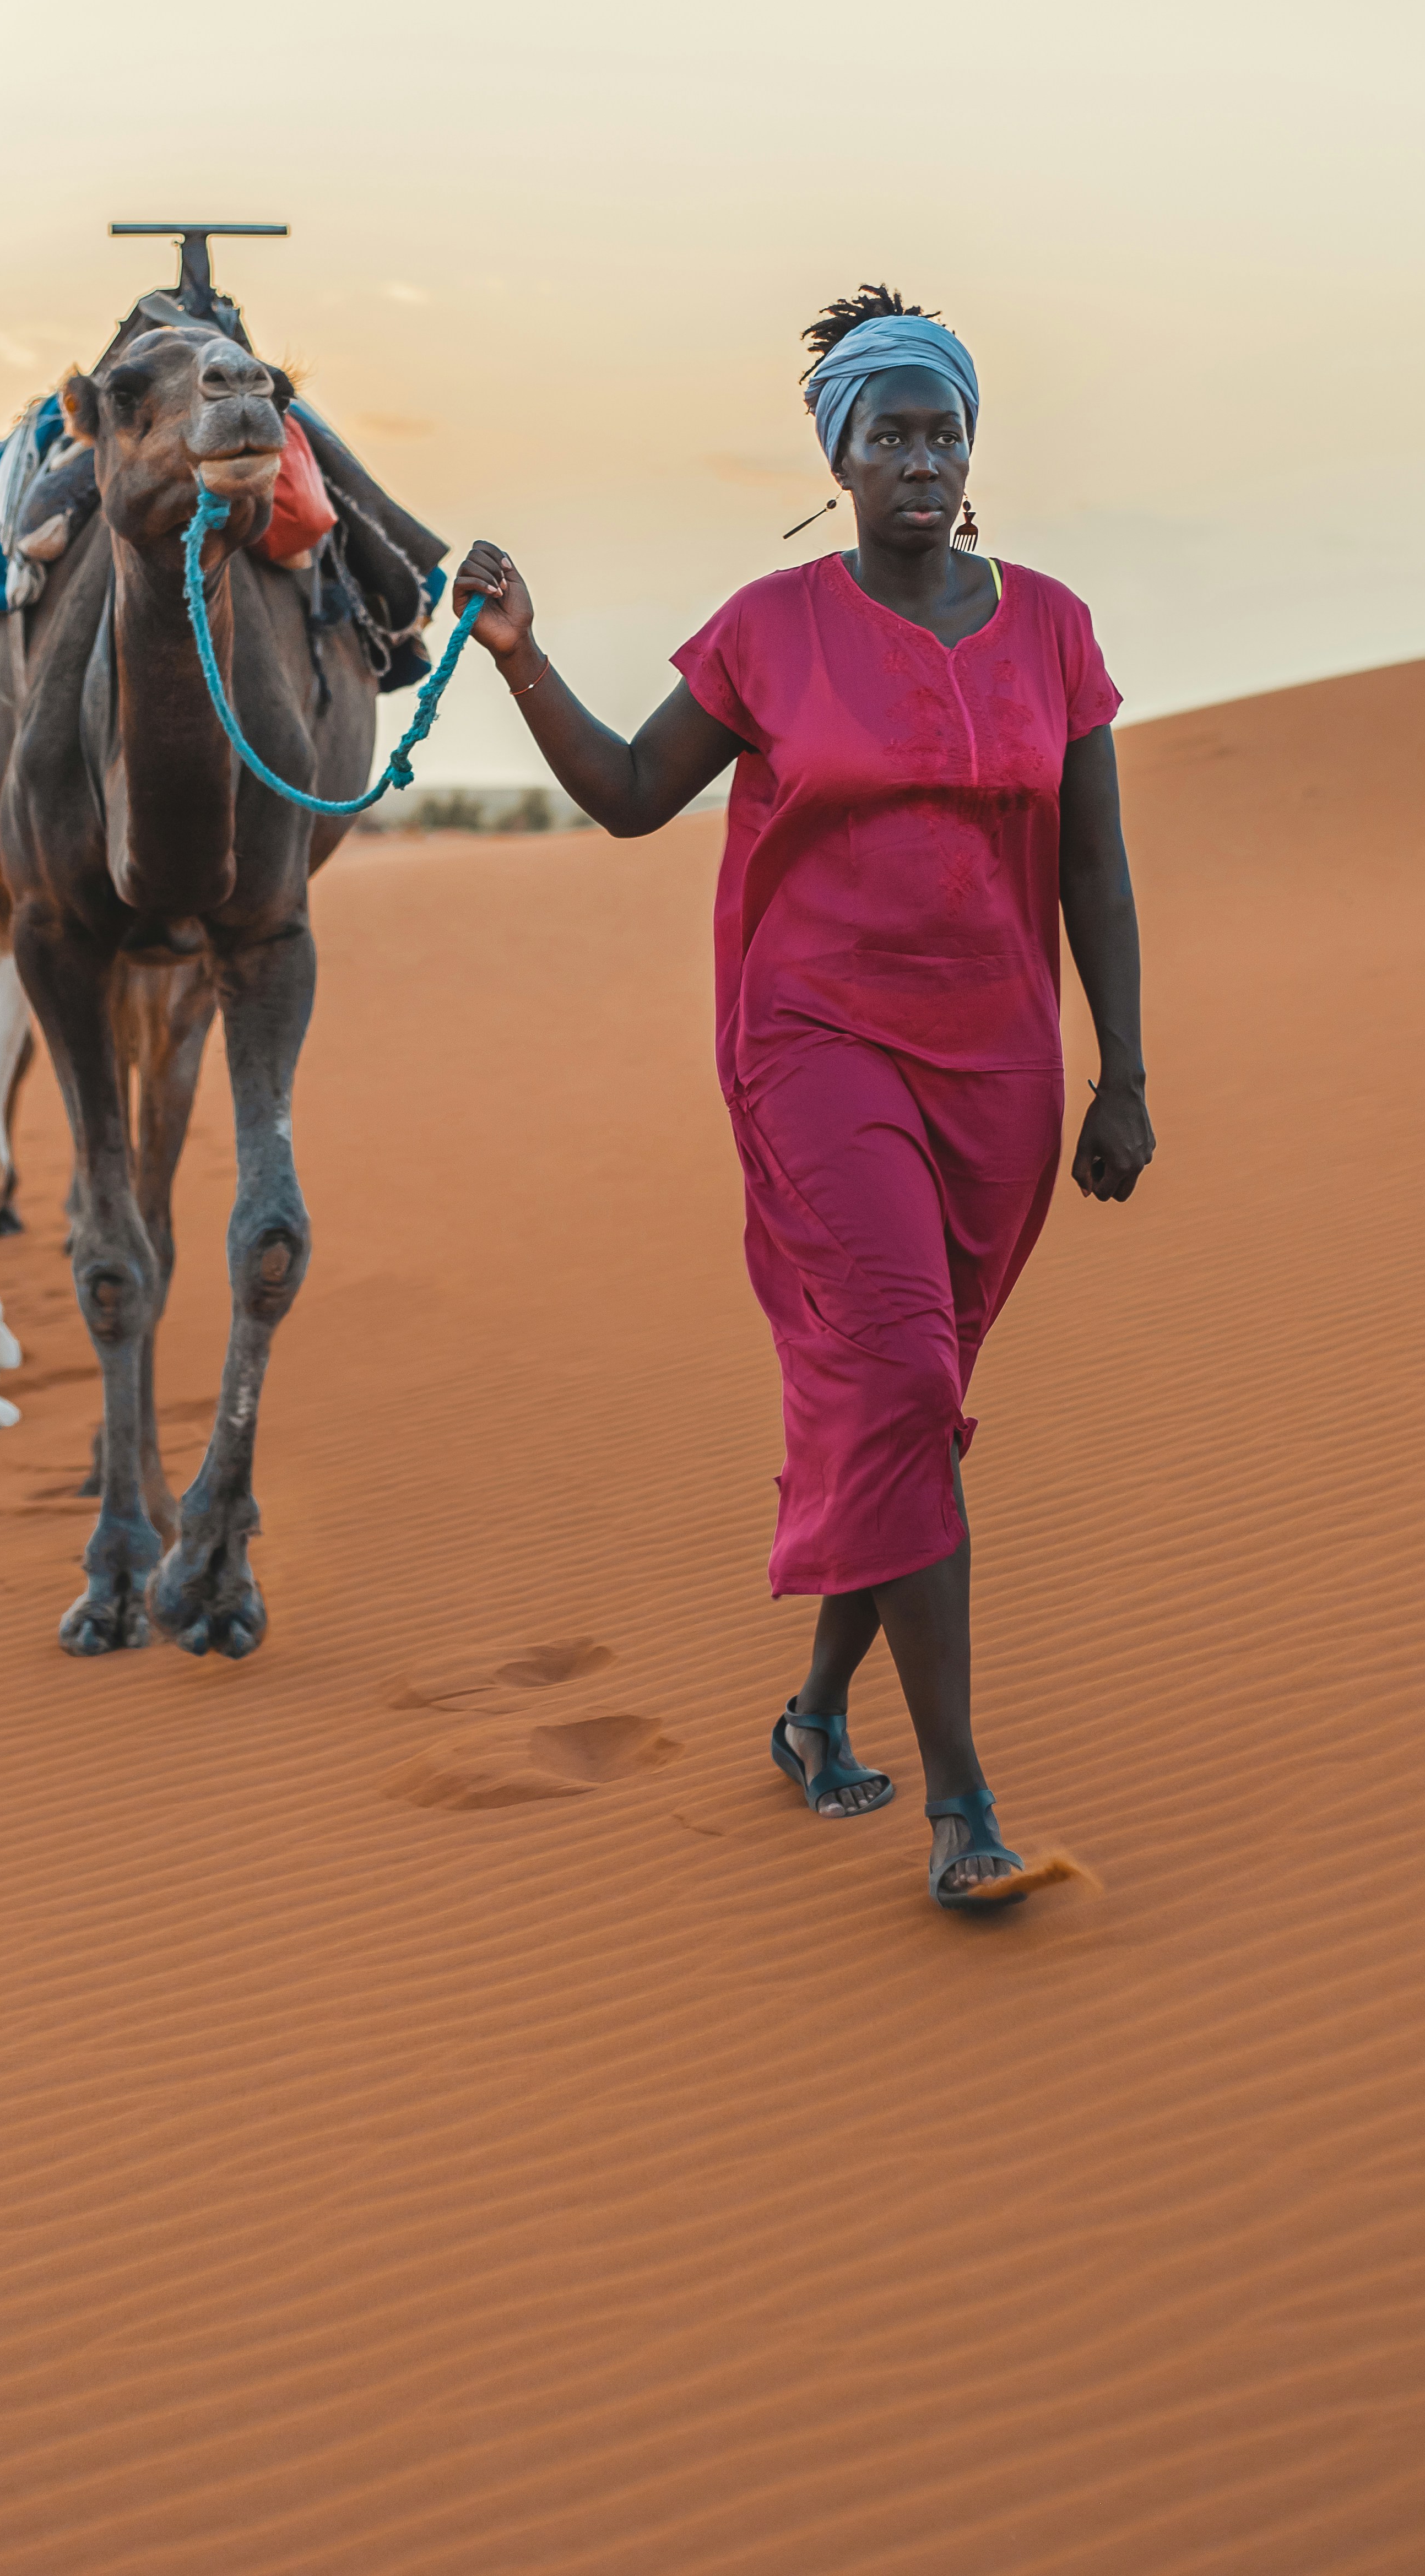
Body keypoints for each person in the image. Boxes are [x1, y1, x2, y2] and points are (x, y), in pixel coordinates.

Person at [453, 287, 1153, 1908]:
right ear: (838, 455)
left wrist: (1125, 1074)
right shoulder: (771, 629)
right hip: (817, 1048)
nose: (921, 456)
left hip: (1001, 1070)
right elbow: (631, 796)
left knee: (901, 1403)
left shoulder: (1051, 624)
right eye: (889, 432)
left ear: (972, 451)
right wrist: (523, 658)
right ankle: (964, 1807)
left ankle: (818, 1710)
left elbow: (1100, 872)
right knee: (904, 1375)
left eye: (943, 430)